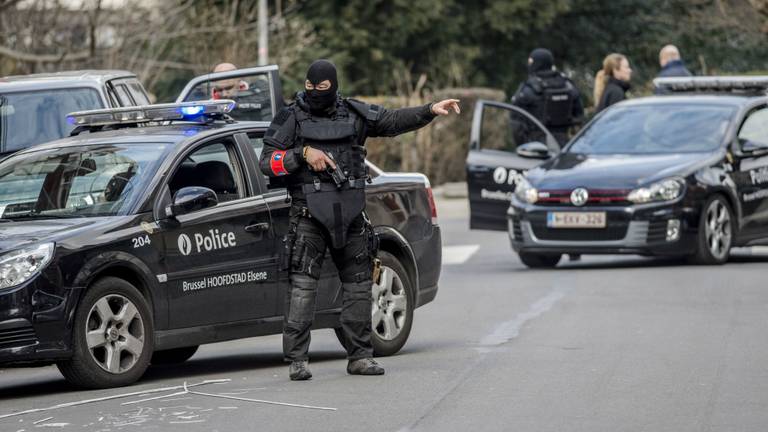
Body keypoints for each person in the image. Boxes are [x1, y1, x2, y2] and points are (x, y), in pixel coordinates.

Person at [259, 59, 460, 381]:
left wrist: (430, 109)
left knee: (358, 287)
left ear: (333, 87)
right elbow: (267, 163)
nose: (314, 94)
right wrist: (302, 155)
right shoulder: (291, 117)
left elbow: (393, 121)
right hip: (309, 214)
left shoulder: (353, 113)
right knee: (302, 289)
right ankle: (297, 360)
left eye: (321, 89)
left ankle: (360, 357)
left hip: (351, 214)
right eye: (310, 88)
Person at [510, 48, 584, 146]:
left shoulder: (528, 89)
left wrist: (523, 148)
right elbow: (580, 118)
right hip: (565, 146)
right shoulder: (568, 85)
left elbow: (517, 125)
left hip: (536, 147)